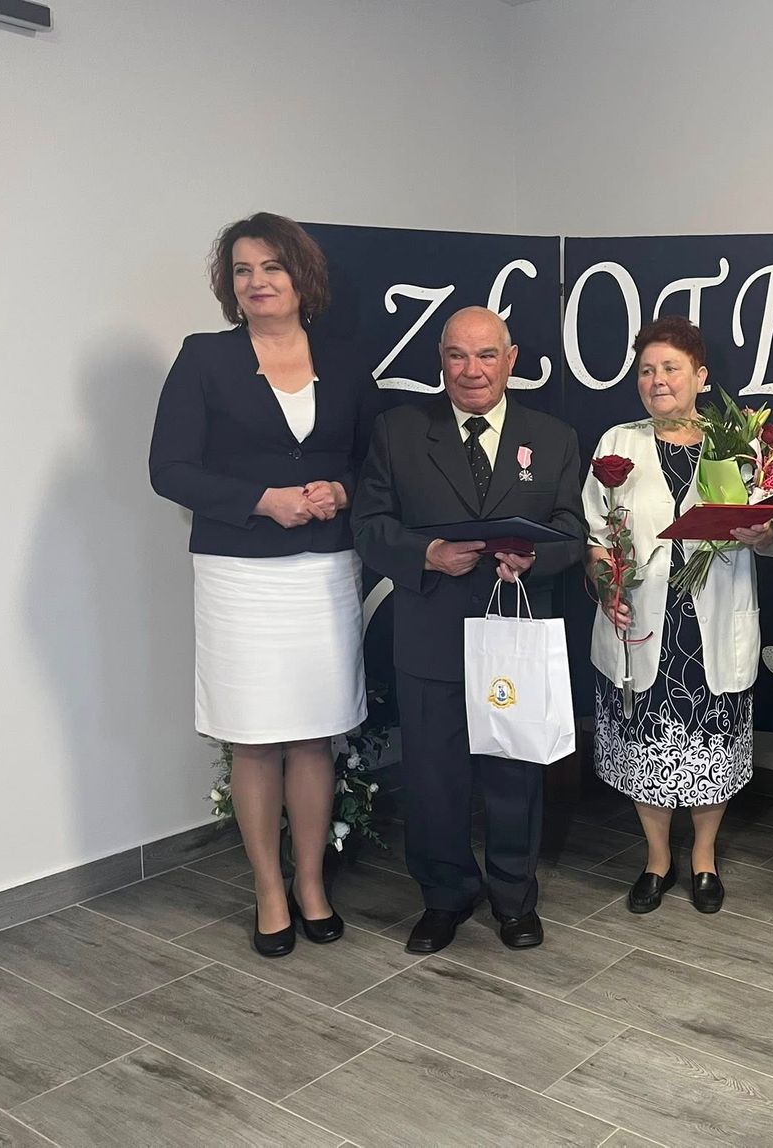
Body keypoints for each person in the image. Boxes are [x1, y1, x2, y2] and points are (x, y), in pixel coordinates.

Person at [149, 212, 383, 957]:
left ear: (301, 277)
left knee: (314, 734)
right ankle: (269, 892)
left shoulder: (346, 360)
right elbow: (169, 469)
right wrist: (261, 501)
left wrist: (340, 493)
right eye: (243, 270)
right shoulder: (205, 358)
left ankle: (311, 883)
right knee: (254, 739)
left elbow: (374, 465)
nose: (257, 282)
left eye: (272, 267)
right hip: (239, 574)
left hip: (324, 571)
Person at [352, 306, 583, 954]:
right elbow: (368, 526)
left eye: (485, 355)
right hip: (431, 636)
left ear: (511, 360)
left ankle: (514, 899)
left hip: (514, 635)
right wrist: (426, 554)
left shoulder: (554, 437)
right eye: (457, 355)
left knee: (514, 776)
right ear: (441, 361)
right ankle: (444, 896)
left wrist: (536, 559)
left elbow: (572, 529)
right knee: (433, 780)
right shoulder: (398, 432)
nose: (471, 370)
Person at [583, 317, 773, 915]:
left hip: (712, 622)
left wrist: (764, 533)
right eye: (647, 370)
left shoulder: (741, 446)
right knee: (643, 743)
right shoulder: (617, 443)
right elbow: (596, 537)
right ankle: (656, 859)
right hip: (642, 619)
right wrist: (605, 585)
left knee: (712, 745)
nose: (658, 380)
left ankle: (703, 856)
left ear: (700, 376)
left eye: (671, 368)